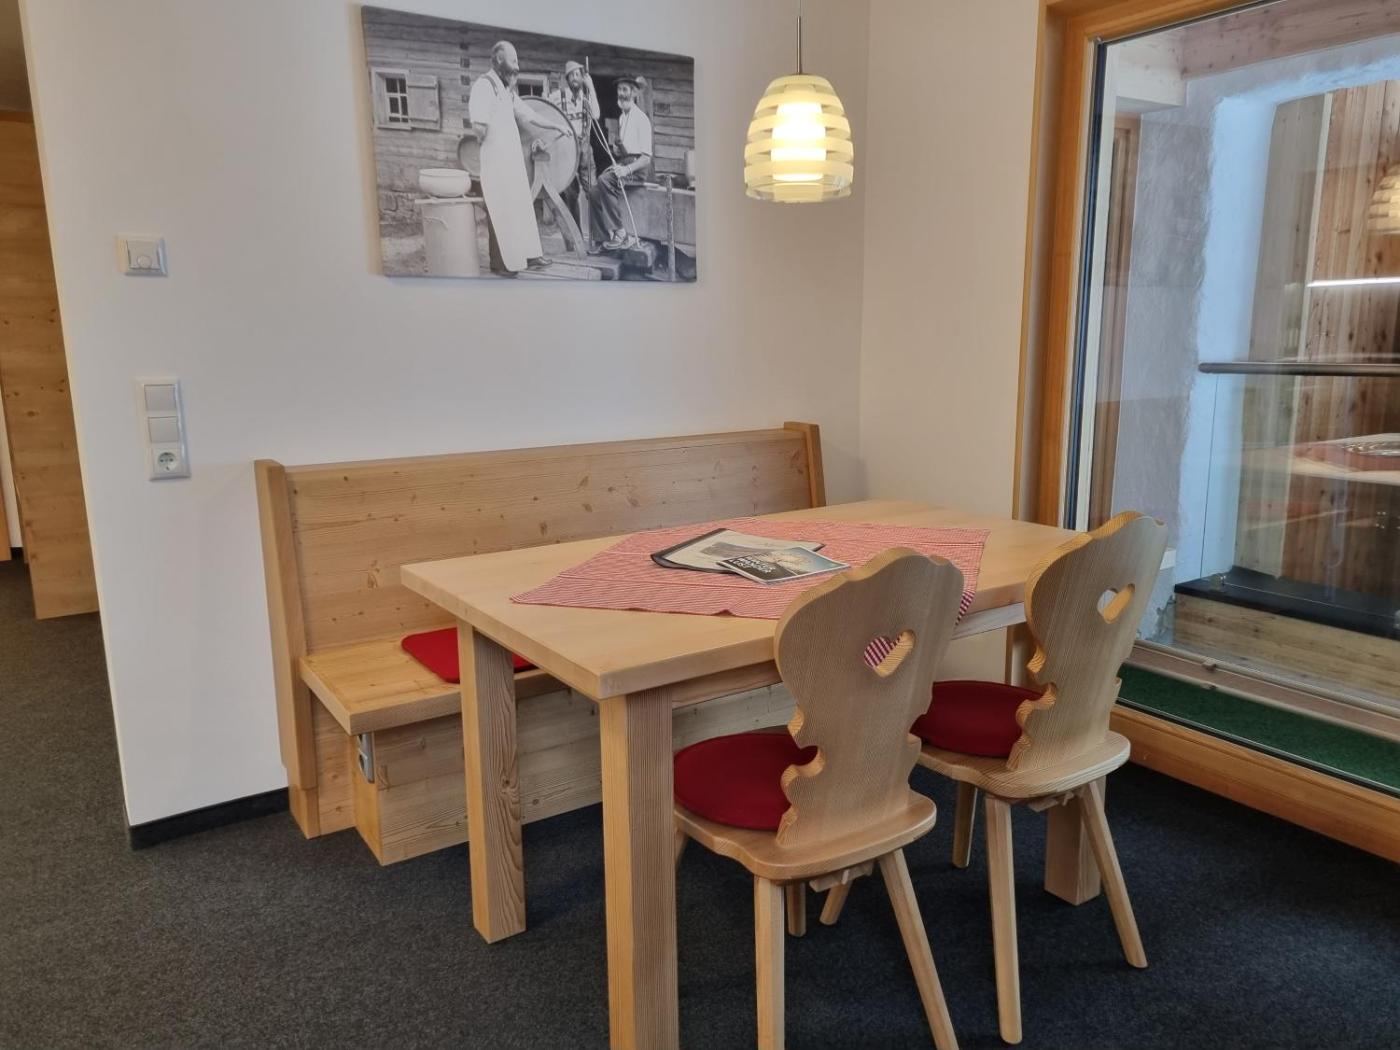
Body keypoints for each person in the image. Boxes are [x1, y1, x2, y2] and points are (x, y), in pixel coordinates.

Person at [468, 41, 566, 274]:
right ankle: (501, 264)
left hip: (511, 163)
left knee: (520, 207)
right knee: (500, 210)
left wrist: (556, 125)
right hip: (496, 164)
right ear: (499, 60)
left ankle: (529, 255)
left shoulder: (506, 91)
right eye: (513, 61)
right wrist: (489, 142)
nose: (517, 67)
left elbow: (528, 114)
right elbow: (479, 126)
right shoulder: (484, 86)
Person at [589, 75, 652, 251]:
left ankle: (620, 233)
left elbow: (646, 158)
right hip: (624, 162)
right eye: (619, 90)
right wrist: (619, 151)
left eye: (625, 90)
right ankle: (602, 239)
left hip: (637, 169)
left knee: (604, 180)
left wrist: (626, 170)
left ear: (634, 93)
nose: (621, 94)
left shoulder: (642, 119)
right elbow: (627, 152)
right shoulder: (623, 117)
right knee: (593, 192)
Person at [547, 60, 600, 223]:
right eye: (571, 75)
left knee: (593, 191)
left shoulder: (587, 97)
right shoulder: (558, 96)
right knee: (571, 194)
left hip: (585, 149)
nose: (575, 78)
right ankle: (576, 233)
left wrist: (591, 87)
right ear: (567, 79)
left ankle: (599, 233)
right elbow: (544, 108)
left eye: (578, 74)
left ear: (583, 78)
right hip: (566, 149)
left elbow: (596, 115)